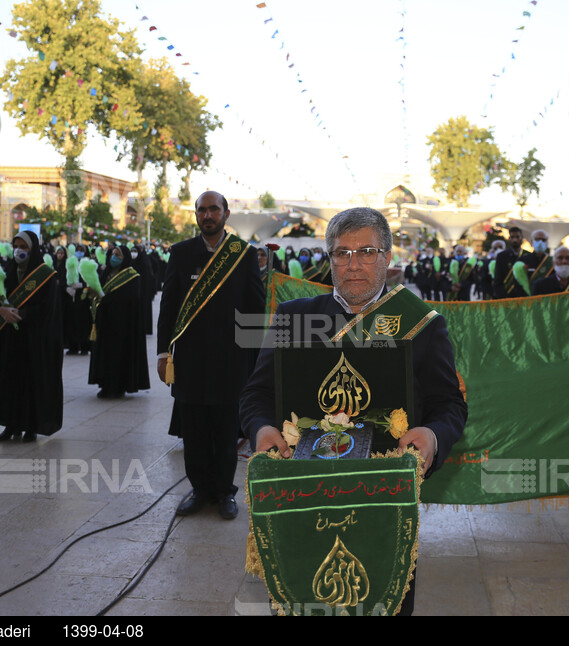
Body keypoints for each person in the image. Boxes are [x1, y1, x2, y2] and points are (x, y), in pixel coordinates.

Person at [239, 207, 467, 615]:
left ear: (387, 257)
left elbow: (449, 405)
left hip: (385, 502)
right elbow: (256, 395)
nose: (353, 264)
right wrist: (260, 431)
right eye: (341, 253)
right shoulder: (294, 318)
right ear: (329, 260)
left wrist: (432, 436)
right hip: (301, 496)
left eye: (366, 252)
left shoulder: (421, 325)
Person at [157, 191, 264, 519]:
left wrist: (254, 360)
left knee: (225, 429)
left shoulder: (243, 255)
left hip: (230, 361)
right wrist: (164, 353)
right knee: (195, 428)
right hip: (189, 360)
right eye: (201, 210)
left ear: (226, 213)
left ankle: (223, 491)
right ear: (196, 215)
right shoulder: (181, 253)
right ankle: (200, 489)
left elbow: (255, 307)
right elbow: (169, 307)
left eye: (213, 209)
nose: (207, 215)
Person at [0, 231, 63, 443]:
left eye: (24, 246)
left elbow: (48, 309)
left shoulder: (46, 275)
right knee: (10, 382)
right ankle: (11, 425)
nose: (19, 250)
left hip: (34, 340)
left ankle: (31, 426)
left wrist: (21, 315)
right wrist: (0, 310)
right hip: (9, 340)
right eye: (16, 245)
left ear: (34, 248)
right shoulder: (6, 272)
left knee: (31, 383)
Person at [88, 244, 150, 399]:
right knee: (104, 355)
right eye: (112, 254)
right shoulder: (105, 272)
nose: (114, 257)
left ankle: (118, 386)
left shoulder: (132, 276)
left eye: (118, 255)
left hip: (122, 325)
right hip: (104, 322)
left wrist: (107, 299)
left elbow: (130, 300)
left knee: (118, 356)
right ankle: (105, 384)